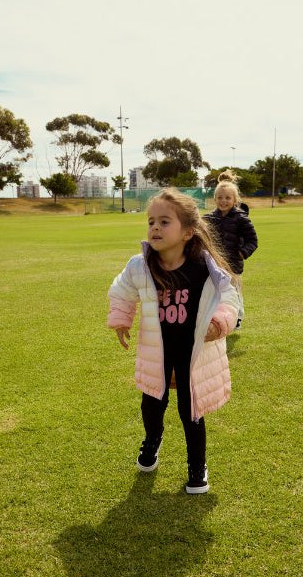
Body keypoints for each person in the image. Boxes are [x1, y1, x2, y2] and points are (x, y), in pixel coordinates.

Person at [107, 187, 239, 494]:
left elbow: (228, 298)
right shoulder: (140, 265)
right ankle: (152, 439)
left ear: (187, 232)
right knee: (152, 403)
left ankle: (197, 465)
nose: (155, 227)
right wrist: (121, 318)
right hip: (157, 352)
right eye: (151, 221)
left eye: (164, 222)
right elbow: (122, 290)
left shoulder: (204, 267)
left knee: (190, 411)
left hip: (192, 354)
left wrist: (219, 322)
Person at [204, 170, 258, 329]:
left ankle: (237, 318)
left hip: (233, 265)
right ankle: (217, 318)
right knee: (215, 292)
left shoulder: (241, 219)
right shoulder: (209, 218)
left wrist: (242, 253)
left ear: (235, 200)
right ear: (215, 199)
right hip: (214, 264)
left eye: (228, 198)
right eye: (220, 197)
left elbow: (252, 241)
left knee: (233, 292)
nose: (223, 201)